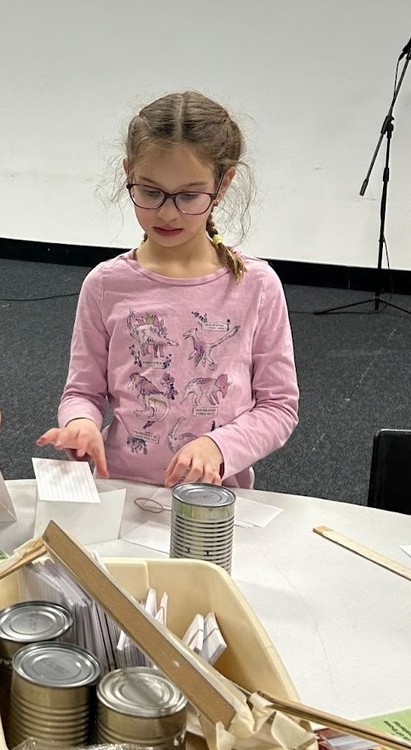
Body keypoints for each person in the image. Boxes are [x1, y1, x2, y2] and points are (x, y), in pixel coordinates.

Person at [37, 91, 297, 488]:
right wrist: (81, 424)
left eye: (189, 195)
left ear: (223, 185)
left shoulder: (256, 285)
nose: (167, 212)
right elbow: (83, 392)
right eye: (150, 191)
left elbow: (278, 407)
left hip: (212, 500)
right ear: (129, 175)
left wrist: (219, 447)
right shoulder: (106, 284)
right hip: (122, 488)